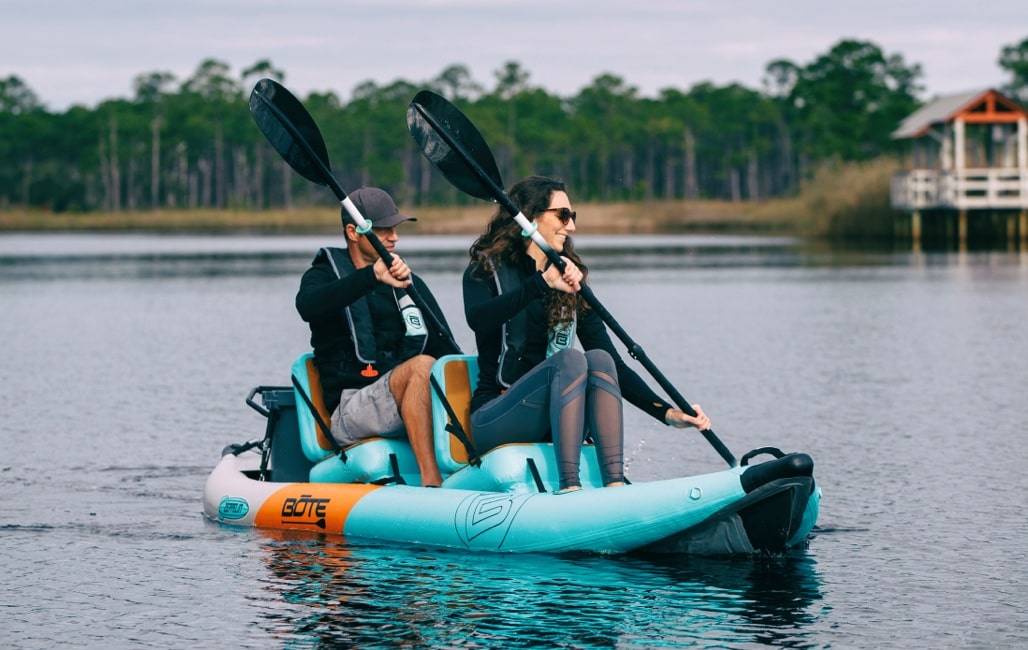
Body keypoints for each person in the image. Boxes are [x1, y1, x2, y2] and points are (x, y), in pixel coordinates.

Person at [462, 176, 712, 493]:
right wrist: (540, 284)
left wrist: (668, 413)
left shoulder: (572, 277)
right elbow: (478, 320)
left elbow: (615, 367)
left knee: (598, 359)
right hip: (495, 417)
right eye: (563, 215)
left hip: (553, 417)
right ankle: (570, 487)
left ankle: (615, 484)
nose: (571, 227)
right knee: (570, 361)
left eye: (573, 217)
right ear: (531, 215)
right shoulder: (484, 268)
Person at [296, 187, 458, 487]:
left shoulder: (408, 282)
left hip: (403, 397)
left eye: (395, 229)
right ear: (353, 232)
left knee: (446, 368)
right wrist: (371, 277)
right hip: (350, 408)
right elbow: (307, 306)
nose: (394, 238)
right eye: (384, 230)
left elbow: (446, 347)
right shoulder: (322, 276)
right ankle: (432, 483)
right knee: (422, 366)